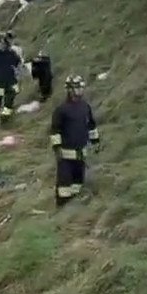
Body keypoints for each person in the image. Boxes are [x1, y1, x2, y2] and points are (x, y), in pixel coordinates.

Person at [49, 75, 101, 207]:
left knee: (78, 185)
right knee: (64, 188)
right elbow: (55, 130)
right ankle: (61, 209)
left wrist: (95, 141)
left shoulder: (85, 107)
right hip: (66, 156)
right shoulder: (61, 110)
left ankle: (73, 210)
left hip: (81, 155)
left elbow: (91, 126)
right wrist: (57, 147)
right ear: (69, 90)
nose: (80, 90)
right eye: (77, 87)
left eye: (81, 87)